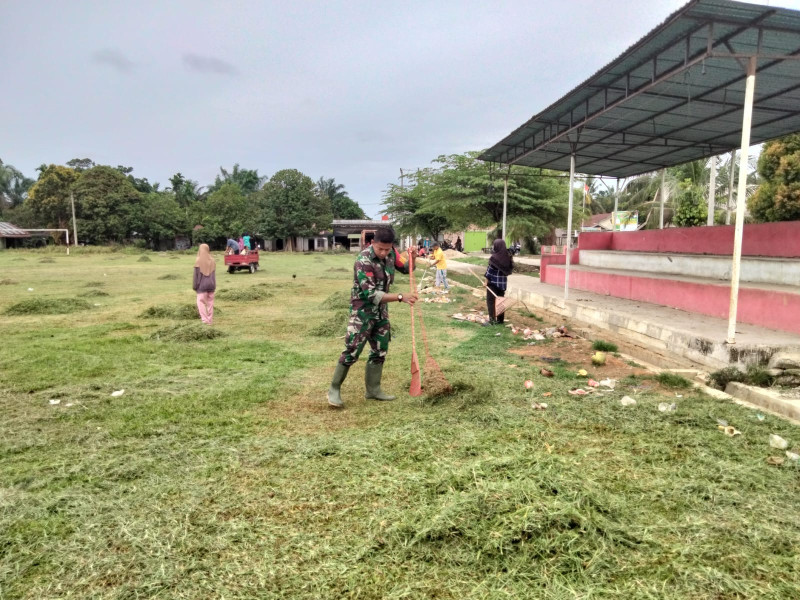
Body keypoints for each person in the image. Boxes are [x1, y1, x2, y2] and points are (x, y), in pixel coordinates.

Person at [327, 226, 418, 408]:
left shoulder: (392, 254)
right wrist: (401, 297)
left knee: (380, 350)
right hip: (362, 311)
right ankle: (334, 389)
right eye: (380, 249)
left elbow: (408, 268)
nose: (384, 253)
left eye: (387, 249)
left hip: (381, 311)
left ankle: (373, 390)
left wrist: (413, 256)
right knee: (352, 349)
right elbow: (370, 294)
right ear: (372, 243)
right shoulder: (363, 259)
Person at [483, 238, 513, 326]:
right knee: (500, 301)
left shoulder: (494, 258)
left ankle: (492, 320)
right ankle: (500, 320)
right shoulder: (507, 257)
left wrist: (485, 282)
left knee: (491, 301)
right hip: (502, 285)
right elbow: (508, 271)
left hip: (493, 284)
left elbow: (489, 272)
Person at [193, 243, 216, 325]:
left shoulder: (198, 261)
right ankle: (210, 320)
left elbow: (196, 276)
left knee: (201, 302)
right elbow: (213, 275)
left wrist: (195, 287)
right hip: (212, 286)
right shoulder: (212, 260)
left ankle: (205, 320)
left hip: (201, 287)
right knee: (210, 304)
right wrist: (214, 286)